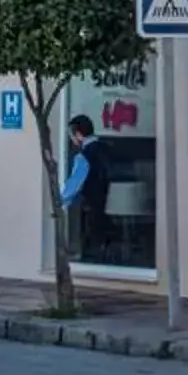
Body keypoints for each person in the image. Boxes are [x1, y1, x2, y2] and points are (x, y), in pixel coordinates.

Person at [58, 113, 112, 266]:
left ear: (79, 134)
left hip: (91, 202)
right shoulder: (106, 148)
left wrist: (61, 201)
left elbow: (75, 182)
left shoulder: (84, 156)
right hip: (107, 201)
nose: (71, 140)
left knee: (90, 235)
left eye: (72, 135)